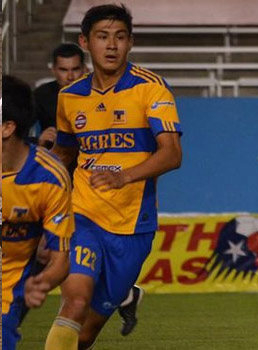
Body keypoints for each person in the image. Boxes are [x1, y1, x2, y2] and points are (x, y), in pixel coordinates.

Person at [51, 4, 183, 349]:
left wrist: (123, 177)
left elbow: (171, 154)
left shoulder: (151, 88)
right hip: (83, 216)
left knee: (86, 334)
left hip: (132, 226)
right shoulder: (69, 97)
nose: (112, 46)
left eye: (120, 37)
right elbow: (64, 155)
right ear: (84, 42)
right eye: (103, 37)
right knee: (75, 301)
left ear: (130, 43)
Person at [1, 75, 77, 350]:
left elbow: (60, 261)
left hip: (7, 294)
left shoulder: (49, 177)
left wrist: (43, 282)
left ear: (7, 127)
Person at [33, 43, 87, 150]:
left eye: (75, 69)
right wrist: (38, 140)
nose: (70, 77)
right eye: (63, 70)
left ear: (84, 69)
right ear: (53, 70)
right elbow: (18, 132)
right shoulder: (41, 95)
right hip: (53, 156)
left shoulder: (98, 94)